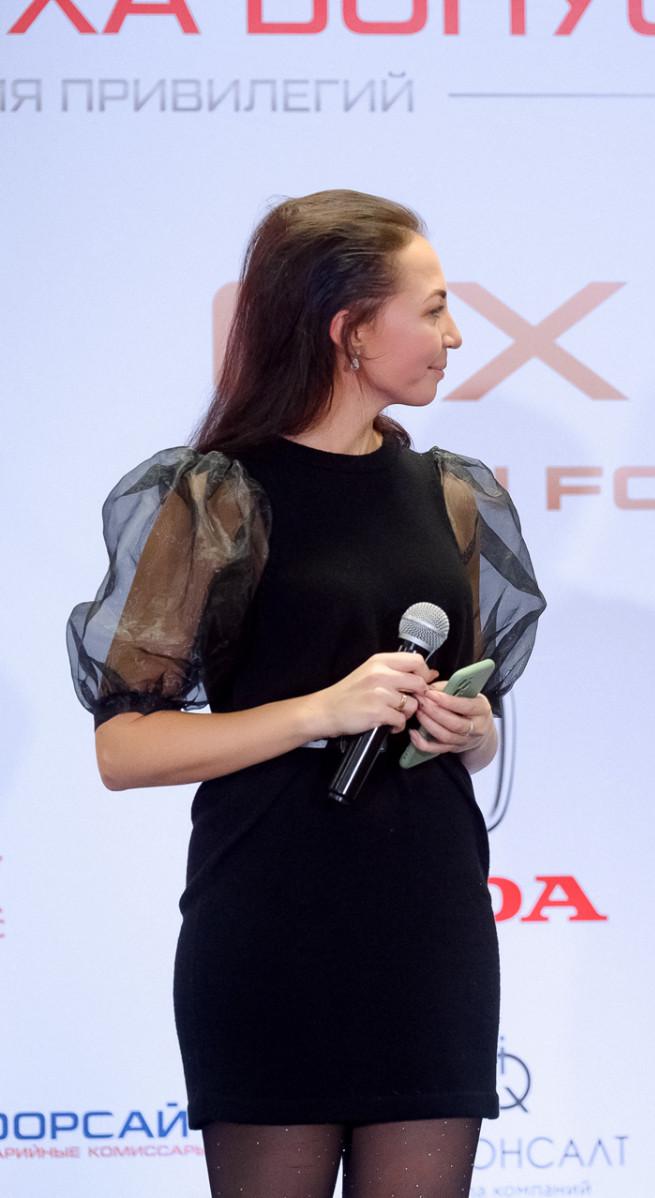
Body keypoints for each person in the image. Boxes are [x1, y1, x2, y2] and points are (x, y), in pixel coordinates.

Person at [67, 190, 545, 1198]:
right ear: (349, 330)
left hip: (430, 923)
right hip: (272, 922)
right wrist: (320, 712)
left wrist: (468, 728)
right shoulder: (215, 496)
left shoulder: (453, 494)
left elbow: (481, 735)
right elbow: (125, 748)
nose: (456, 335)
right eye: (434, 308)